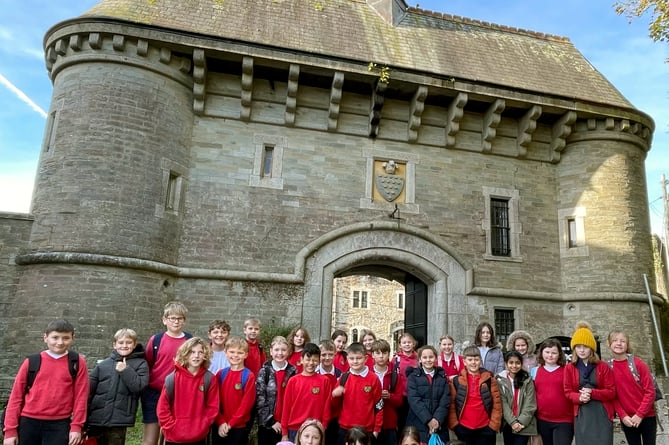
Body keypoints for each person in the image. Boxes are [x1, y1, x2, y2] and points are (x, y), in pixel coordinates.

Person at [2, 319, 89, 445]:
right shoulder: (31, 362)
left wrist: (76, 426)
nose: (60, 342)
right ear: (45, 338)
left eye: (65, 338)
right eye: (55, 337)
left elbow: (81, 397)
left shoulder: (77, 362)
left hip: (60, 424)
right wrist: (10, 430)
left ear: (72, 338)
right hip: (28, 422)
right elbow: (16, 397)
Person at [87, 328, 149, 445]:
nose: (124, 346)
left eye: (128, 342)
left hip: (118, 420)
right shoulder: (103, 365)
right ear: (114, 345)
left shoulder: (141, 364)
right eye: (121, 342)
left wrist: (125, 370)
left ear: (134, 344)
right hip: (96, 418)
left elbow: (139, 387)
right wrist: (84, 419)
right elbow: (89, 392)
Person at [141, 301, 192, 445]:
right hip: (154, 393)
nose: (176, 322)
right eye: (172, 318)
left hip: (178, 393)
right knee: (150, 439)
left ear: (184, 321)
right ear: (165, 320)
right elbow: (149, 364)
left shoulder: (189, 340)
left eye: (179, 318)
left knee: (170, 437)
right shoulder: (156, 339)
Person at [156, 337, 219, 445]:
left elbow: (213, 407)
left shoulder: (209, 379)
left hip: (198, 436)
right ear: (185, 354)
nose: (196, 356)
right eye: (192, 352)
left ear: (205, 356)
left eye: (200, 352)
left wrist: (202, 426)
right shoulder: (172, 379)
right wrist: (172, 427)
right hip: (174, 436)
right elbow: (162, 409)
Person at [563, 321, 615, 445]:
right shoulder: (569, 368)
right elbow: (567, 392)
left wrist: (593, 392)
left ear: (591, 348)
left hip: (601, 413)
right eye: (578, 346)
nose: (582, 350)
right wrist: (579, 397)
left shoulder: (603, 366)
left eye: (585, 346)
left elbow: (611, 392)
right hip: (582, 413)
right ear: (574, 348)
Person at [607, 329, 657, 445]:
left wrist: (639, 415)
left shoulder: (638, 364)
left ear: (627, 344)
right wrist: (623, 416)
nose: (619, 343)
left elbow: (650, 392)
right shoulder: (608, 368)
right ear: (608, 343)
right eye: (615, 340)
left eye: (622, 341)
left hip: (647, 415)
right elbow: (612, 395)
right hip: (627, 419)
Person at [448, 345, 502, 445]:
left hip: (485, 427)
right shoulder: (456, 381)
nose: (473, 362)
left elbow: (497, 404)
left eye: (476, 359)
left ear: (480, 361)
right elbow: (452, 405)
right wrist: (455, 425)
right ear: (464, 361)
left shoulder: (489, 380)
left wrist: (493, 426)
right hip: (463, 427)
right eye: (470, 359)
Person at [332, 342, 383, 444]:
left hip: (366, 429)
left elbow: (379, 406)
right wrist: (334, 395)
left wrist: (376, 430)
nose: (355, 361)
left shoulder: (373, 379)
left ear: (365, 358)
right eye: (351, 358)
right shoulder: (343, 378)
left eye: (358, 358)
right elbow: (334, 406)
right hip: (345, 428)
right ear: (347, 359)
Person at [281, 343, 332, 442]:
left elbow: (327, 406)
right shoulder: (293, 381)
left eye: (315, 360)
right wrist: (284, 433)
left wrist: (324, 425)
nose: (311, 363)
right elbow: (286, 407)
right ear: (301, 360)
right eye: (308, 359)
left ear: (319, 361)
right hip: (295, 429)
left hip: (315, 429)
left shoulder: (324, 381)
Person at [214, 336, 256, 445]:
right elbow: (214, 401)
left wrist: (231, 423)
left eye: (240, 353)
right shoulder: (221, 374)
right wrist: (221, 421)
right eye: (232, 352)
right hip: (220, 425)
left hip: (239, 427)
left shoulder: (248, 376)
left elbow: (246, 405)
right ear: (226, 353)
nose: (235, 355)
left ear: (246, 354)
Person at [531, 338, 573, 445]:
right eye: (547, 352)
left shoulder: (567, 370)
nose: (550, 355)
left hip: (564, 420)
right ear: (542, 353)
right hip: (543, 419)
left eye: (554, 353)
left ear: (559, 354)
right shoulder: (535, 371)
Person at [256, 335, 297, 445]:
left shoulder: (294, 372)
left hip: (288, 423)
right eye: (276, 350)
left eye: (283, 350)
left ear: (288, 351)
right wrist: (271, 421)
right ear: (271, 351)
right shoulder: (264, 371)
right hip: (267, 424)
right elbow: (260, 398)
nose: (280, 353)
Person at [405, 345, 450, 444]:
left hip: (439, 423)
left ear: (435, 358)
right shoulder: (413, 377)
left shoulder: (442, 377)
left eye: (431, 357)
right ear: (420, 359)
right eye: (424, 357)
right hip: (418, 422)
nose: (428, 360)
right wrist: (428, 420)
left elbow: (445, 400)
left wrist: (437, 419)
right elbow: (414, 400)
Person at [496, 351, 537, 445]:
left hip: (524, 424)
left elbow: (530, 403)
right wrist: (512, 422)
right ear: (506, 364)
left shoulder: (528, 380)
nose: (514, 365)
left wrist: (521, 422)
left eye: (517, 363)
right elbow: (503, 403)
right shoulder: (500, 380)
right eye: (511, 362)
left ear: (521, 364)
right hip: (508, 423)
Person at [371, 339, 404, 445]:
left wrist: (389, 396)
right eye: (378, 353)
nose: (381, 356)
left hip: (389, 424)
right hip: (371, 423)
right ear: (372, 355)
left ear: (389, 354)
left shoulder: (395, 376)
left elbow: (399, 401)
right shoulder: (367, 374)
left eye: (384, 353)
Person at [317, 339, 342, 445]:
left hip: (335, 418)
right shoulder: (314, 373)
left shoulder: (340, 374)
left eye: (330, 354)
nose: (327, 358)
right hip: (318, 416)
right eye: (323, 354)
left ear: (335, 354)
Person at [393, 332, 418, 432]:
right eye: (404, 343)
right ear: (400, 345)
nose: (407, 344)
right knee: (401, 422)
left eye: (409, 342)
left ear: (413, 344)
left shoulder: (418, 358)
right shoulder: (396, 359)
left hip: (415, 395)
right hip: (401, 395)